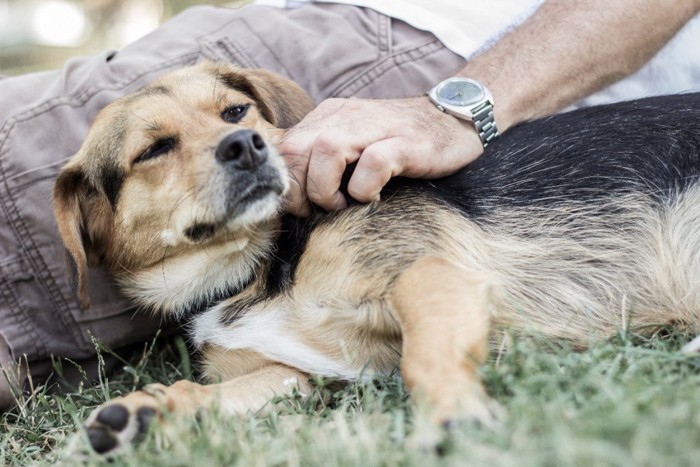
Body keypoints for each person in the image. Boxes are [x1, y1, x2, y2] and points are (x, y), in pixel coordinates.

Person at [1, 0, 699, 411]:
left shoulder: (333, 246)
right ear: (88, 226)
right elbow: (295, 380)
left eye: (238, 117)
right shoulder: (227, 340)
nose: (235, 143)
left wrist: (462, 107)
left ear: (276, 122)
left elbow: (432, 284)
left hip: (426, 36)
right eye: (160, 149)